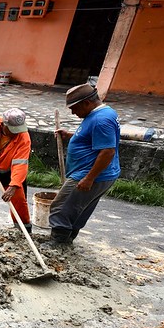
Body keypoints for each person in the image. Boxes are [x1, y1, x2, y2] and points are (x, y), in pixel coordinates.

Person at [48, 84, 120, 246]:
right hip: (100, 174)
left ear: (86, 103)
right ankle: (67, 240)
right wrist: (72, 135)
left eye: (75, 108)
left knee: (61, 207)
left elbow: (108, 151)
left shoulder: (101, 120)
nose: (73, 113)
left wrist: (89, 178)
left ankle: (57, 243)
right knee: (80, 208)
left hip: (89, 174)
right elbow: (96, 137)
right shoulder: (103, 113)